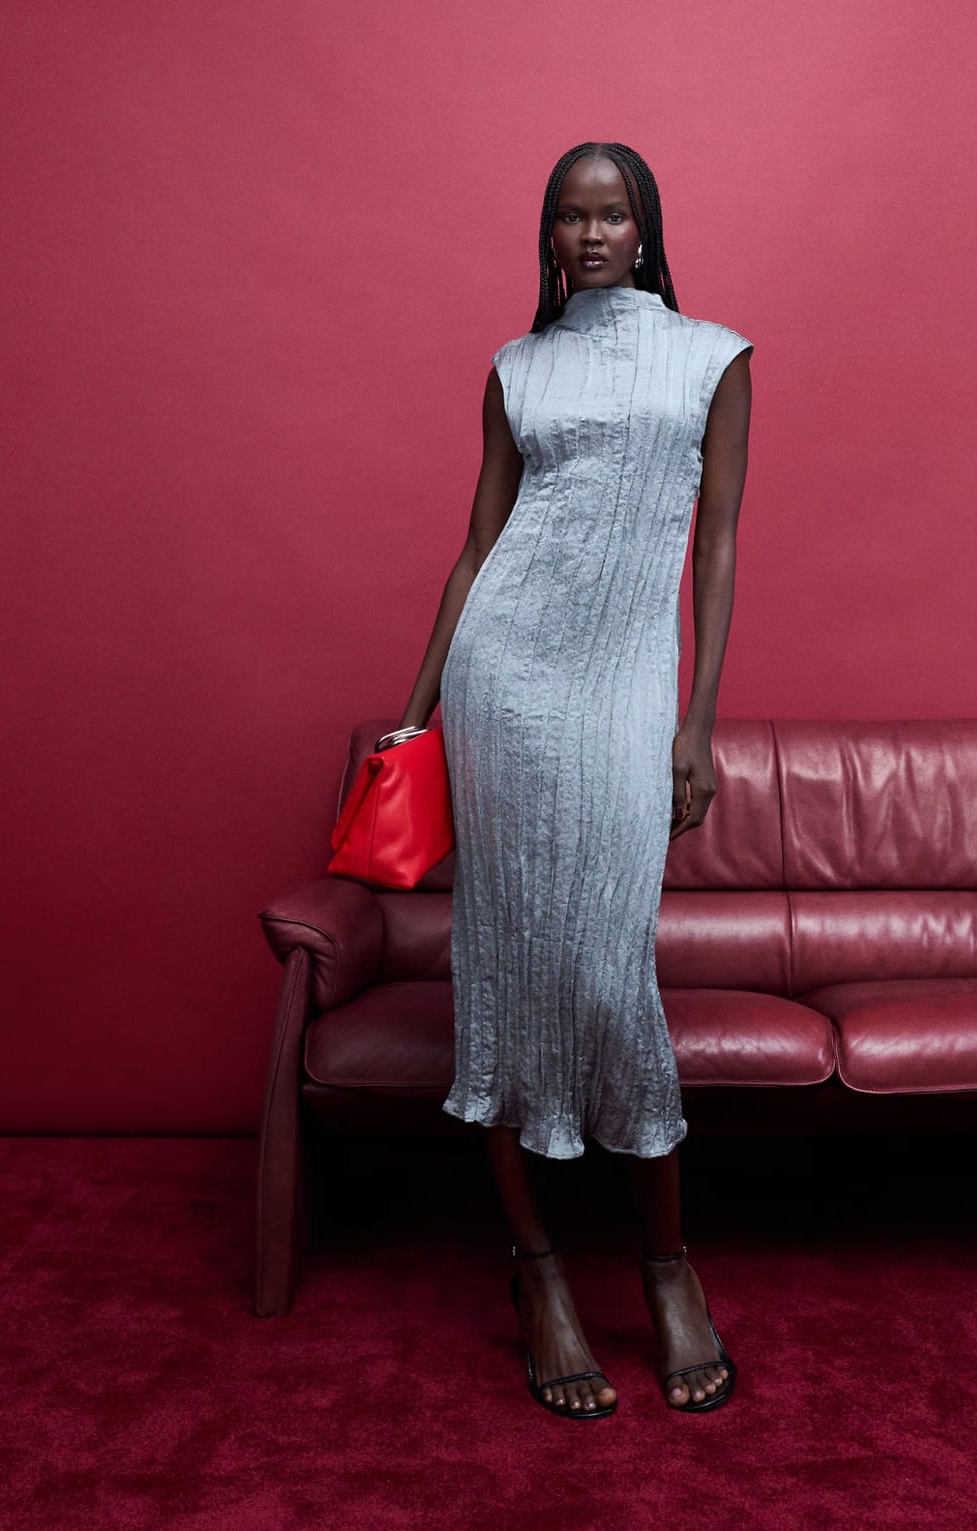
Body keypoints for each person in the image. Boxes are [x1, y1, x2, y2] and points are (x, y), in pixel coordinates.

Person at [397, 140, 753, 1418]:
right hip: (504, 679)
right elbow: (477, 544)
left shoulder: (714, 357)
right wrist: (417, 710)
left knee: (609, 969)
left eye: (612, 213)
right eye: (569, 215)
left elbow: (716, 543)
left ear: (647, 228)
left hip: (625, 689)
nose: (591, 233)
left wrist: (696, 721)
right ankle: (537, 1269)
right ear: (547, 234)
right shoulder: (517, 368)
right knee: (501, 964)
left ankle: (665, 1264)